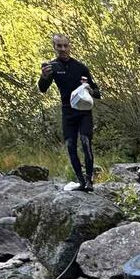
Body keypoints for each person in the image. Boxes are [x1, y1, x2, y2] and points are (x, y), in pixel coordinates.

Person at [38, 34, 100, 191]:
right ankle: (80, 181)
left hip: (84, 111)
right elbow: (42, 89)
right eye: (59, 46)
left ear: (70, 46)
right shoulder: (52, 67)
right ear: (54, 47)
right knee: (70, 145)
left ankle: (89, 181)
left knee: (86, 142)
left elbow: (97, 92)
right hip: (67, 112)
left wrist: (88, 89)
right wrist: (44, 77)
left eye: (65, 46)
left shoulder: (80, 67)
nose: (63, 49)